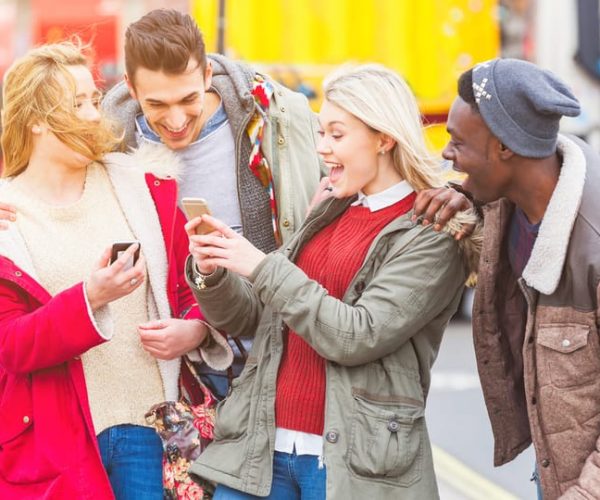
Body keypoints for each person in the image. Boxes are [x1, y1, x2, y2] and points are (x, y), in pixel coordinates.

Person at [183, 64, 480, 500]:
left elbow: (357, 335)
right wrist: (214, 270)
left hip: (349, 468)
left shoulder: (430, 233)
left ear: (384, 138)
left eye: (337, 135)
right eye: (321, 133)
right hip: (263, 451)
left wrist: (263, 267)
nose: (322, 148)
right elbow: (251, 317)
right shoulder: (329, 208)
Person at [0, 42, 231, 499]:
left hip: (150, 429)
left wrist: (195, 329)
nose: (94, 114)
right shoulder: (7, 215)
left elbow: (189, 285)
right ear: (37, 119)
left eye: (93, 99)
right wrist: (90, 300)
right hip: (54, 441)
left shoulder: (145, 184)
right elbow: (11, 346)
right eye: (76, 104)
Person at [100, 8, 324, 398]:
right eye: (157, 104)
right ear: (131, 89)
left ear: (207, 75)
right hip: (159, 376)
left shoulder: (275, 119)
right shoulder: (108, 143)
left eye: (188, 98)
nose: (175, 120)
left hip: (273, 360)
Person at [440, 58, 600, 499]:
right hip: (552, 473)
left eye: (457, 142)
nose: (446, 154)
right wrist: (461, 193)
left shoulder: (595, 244)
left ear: (506, 147)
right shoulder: (510, 198)